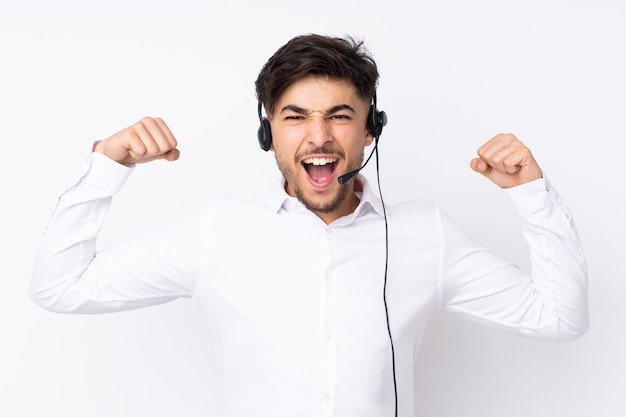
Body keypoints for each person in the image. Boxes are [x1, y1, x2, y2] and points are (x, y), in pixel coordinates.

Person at [30, 34, 589, 417]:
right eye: (295, 117)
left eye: (340, 116)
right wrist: (107, 165)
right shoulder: (218, 232)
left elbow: (559, 317)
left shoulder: (426, 236)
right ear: (268, 132)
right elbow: (60, 287)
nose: (318, 137)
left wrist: (531, 196)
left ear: (370, 130)